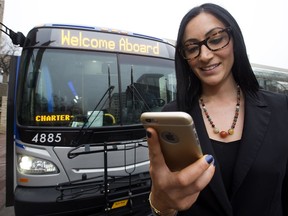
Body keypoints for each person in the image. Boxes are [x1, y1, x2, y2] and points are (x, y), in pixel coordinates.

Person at [146, 3, 288, 216]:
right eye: (192, 47)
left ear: (235, 40)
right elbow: (167, 194)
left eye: (215, 39)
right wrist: (160, 205)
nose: (204, 55)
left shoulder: (281, 108)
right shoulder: (171, 117)